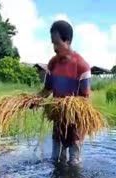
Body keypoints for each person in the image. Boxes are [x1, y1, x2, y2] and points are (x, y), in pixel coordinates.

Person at [36, 20, 91, 165]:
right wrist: (34, 100)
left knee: (74, 164)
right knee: (55, 160)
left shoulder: (82, 67)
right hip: (58, 121)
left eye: (57, 43)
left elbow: (85, 101)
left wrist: (67, 105)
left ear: (68, 41)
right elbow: (47, 90)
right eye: (52, 43)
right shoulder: (52, 64)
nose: (54, 48)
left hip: (75, 124)